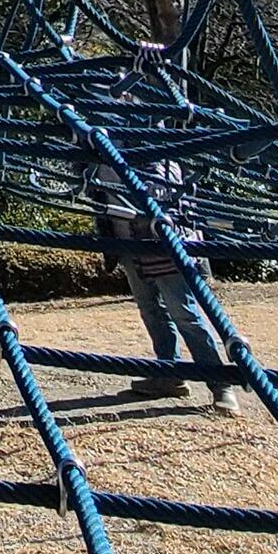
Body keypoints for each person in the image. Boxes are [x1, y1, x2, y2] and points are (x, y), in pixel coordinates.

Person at [87, 146, 238, 409]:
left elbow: (163, 190)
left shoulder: (154, 143)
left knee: (184, 313)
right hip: (126, 240)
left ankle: (220, 385)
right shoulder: (97, 140)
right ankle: (169, 374)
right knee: (151, 310)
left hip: (165, 243)